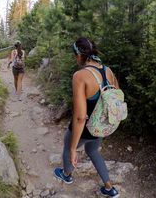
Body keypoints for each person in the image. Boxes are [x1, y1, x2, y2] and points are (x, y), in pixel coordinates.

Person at [54, 37, 120, 198]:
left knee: (68, 144)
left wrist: (72, 149)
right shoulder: (108, 71)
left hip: (86, 127)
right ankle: (109, 188)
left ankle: (67, 175)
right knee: (92, 150)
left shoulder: (80, 75)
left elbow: (80, 117)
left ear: (78, 54)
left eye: (74, 55)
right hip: (101, 125)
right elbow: (117, 96)